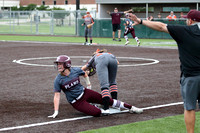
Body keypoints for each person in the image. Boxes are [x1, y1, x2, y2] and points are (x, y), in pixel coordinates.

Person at [128, 9, 200, 133]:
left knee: (189, 108)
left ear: (190, 20)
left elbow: (161, 26)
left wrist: (139, 21)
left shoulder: (185, 31)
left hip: (191, 76)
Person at [48, 55, 143, 117]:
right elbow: (57, 96)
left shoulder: (75, 70)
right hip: (76, 102)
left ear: (67, 64)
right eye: (58, 64)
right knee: (97, 113)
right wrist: (56, 111)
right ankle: (93, 106)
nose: (58, 66)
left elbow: (84, 74)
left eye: (60, 64)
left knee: (108, 100)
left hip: (85, 92)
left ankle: (131, 108)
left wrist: (88, 84)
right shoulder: (58, 79)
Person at [82, 49, 121, 113]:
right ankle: (115, 104)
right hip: (112, 57)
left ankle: (106, 108)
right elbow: (117, 62)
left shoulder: (94, 57)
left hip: (101, 60)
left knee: (104, 85)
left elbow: (83, 68)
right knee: (112, 82)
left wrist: (85, 73)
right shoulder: (107, 54)